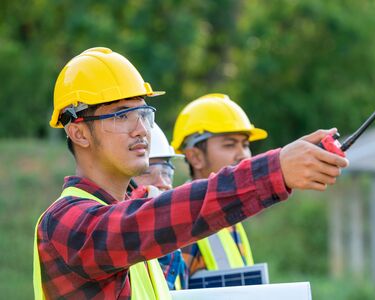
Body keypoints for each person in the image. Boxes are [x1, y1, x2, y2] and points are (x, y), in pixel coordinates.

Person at [34, 47, 348, 299]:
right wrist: (274, 171)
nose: (142, 129)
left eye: (143, 113)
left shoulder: (128, 211)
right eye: (121, 116)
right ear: (79, 133)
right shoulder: (64, 224)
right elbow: (158, 216)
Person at [171, 93, 265, 275]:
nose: (243, 155)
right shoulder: (182, 220)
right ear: (195, 157)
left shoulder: (233, 217)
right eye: (230, 145)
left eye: (245, 145)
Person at [130, 123, 188, 290]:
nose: (162, 183)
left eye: (166, 172)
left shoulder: (174, 241)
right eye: (147, 173)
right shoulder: (115, 241)